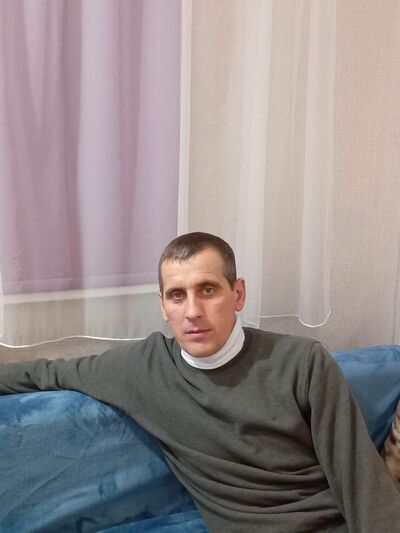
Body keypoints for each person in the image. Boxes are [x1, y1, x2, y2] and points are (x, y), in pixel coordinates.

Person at [0, 232, 399, 532]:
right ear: (163, 306)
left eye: (207, 290)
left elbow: (360, 479)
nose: (193, 311)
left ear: (237, 294)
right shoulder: (143, 369)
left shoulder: (302, 360)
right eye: (177, 295)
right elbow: (45, 372)